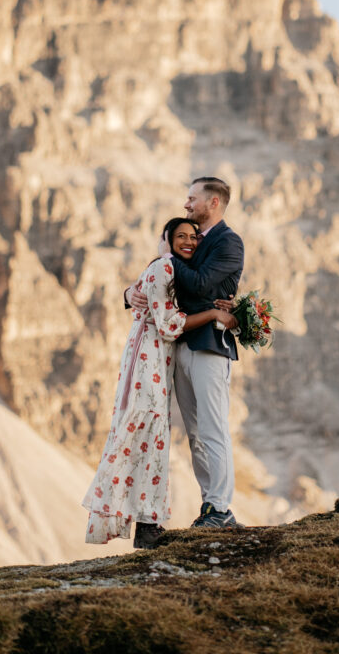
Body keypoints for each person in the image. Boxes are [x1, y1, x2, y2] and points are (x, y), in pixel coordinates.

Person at [83, 217, 237, 549]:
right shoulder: (164, 267)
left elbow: (160, 299)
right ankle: (147, 525)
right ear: (165, 240)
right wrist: (213, 316)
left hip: (156, 359)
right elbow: (168, 324)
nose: (189, 241)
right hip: (148, 360)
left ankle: (147, 523)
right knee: (148, 433)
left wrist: (221, 305)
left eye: (193, 237)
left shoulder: (173, 270)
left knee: (152, 437)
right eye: (180, 236)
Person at [126, 177, 244, 529]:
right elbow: (158, 282)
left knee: (213, 428)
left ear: (213, 203)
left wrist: (165, 258)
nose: (186, 204)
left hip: (210, 345)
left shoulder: (229, 242)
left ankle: (221, 508)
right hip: (180, 346)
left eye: (192, 198)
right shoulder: (187, 244)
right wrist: (130, 292)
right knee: (194, 433)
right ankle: (210, 505)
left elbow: (199, 283)